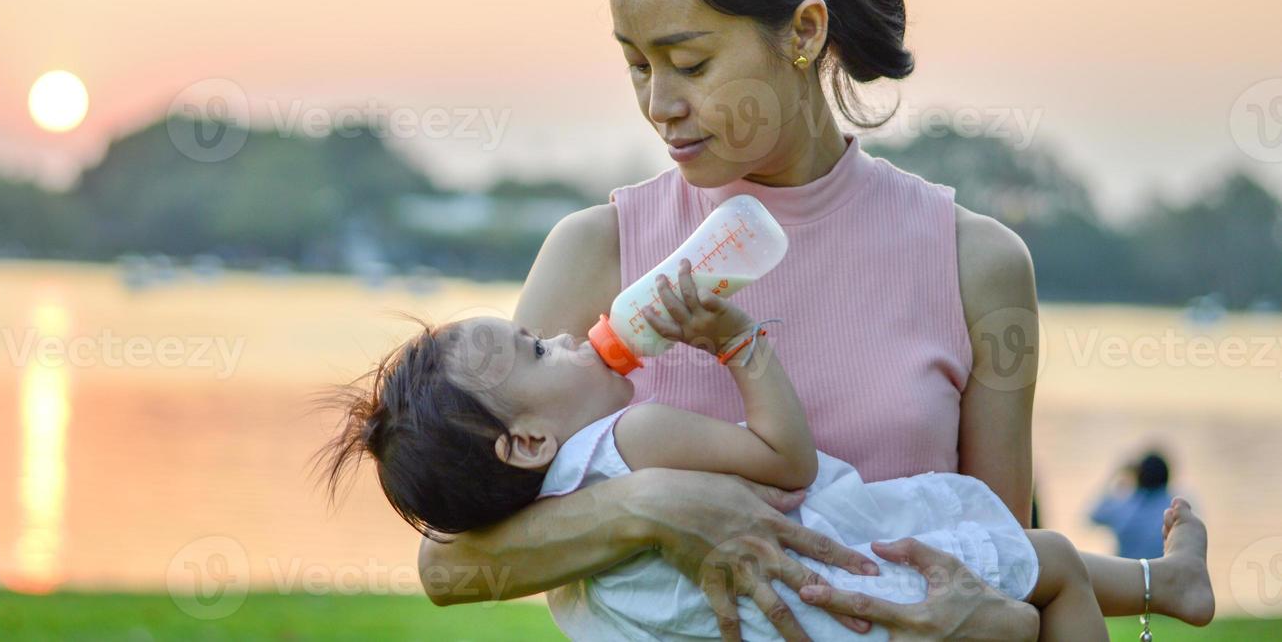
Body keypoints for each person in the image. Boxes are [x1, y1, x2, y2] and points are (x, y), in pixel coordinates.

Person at [412, 0, 1216, 639]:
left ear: (803, 32)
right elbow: (449, 566)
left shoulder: (976, 265)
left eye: (690, 63)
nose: (660, 103)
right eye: (635, 63)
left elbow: (999, 565)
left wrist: (983, 620)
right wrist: (655, 506)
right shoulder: (597, 251)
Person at [315, 263, 1212, 640]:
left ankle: (1167, 586)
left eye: (689, 58)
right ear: (525, 440)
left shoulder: (552, 518)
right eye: (538, 351)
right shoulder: (632, 434)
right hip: (854, 587)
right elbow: (787, 462)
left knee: (1034, 576)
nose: (559, 337)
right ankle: (1165, 585)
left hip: (821, 613)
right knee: (1046, 558)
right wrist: (741, 344)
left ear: (805, 32)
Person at [1090, 452, 1174, 560]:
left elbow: (1093, 516)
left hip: (1125, 574)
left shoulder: (1124, 508)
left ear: (1138, 477)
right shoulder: (1176, 508)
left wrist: (1114, 477)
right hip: (1163, 574)